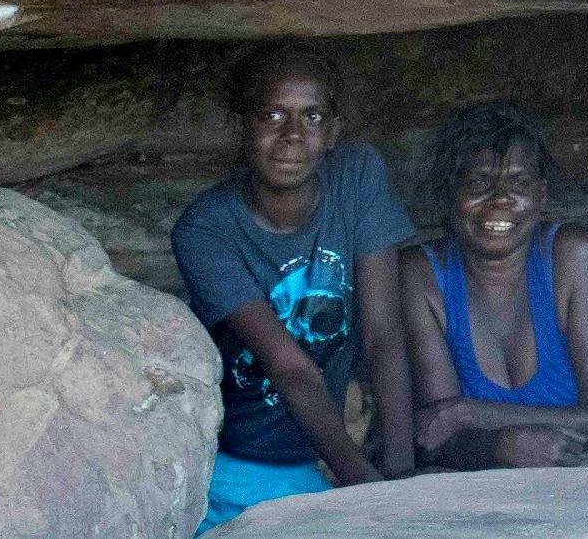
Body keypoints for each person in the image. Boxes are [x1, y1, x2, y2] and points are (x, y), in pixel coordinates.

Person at [171, 42, 415, 532]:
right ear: (242, 126)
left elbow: (384, 334)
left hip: (327, 455)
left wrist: (402, 471)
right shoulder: (205, 230)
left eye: (313, 118)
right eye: (273, 115)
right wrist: (364, 483)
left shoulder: (356, 177)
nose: (292, 136)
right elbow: (291, 368)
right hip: (237, 464)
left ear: (334, 131)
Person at [399, 102, 588, 469]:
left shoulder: (575, 258)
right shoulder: (421, 274)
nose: (501, 198)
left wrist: (471, 413)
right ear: (450, 196)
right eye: (478, 183)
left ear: (542, 196)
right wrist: (499, 446)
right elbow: (437, 436)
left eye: (519, 183)